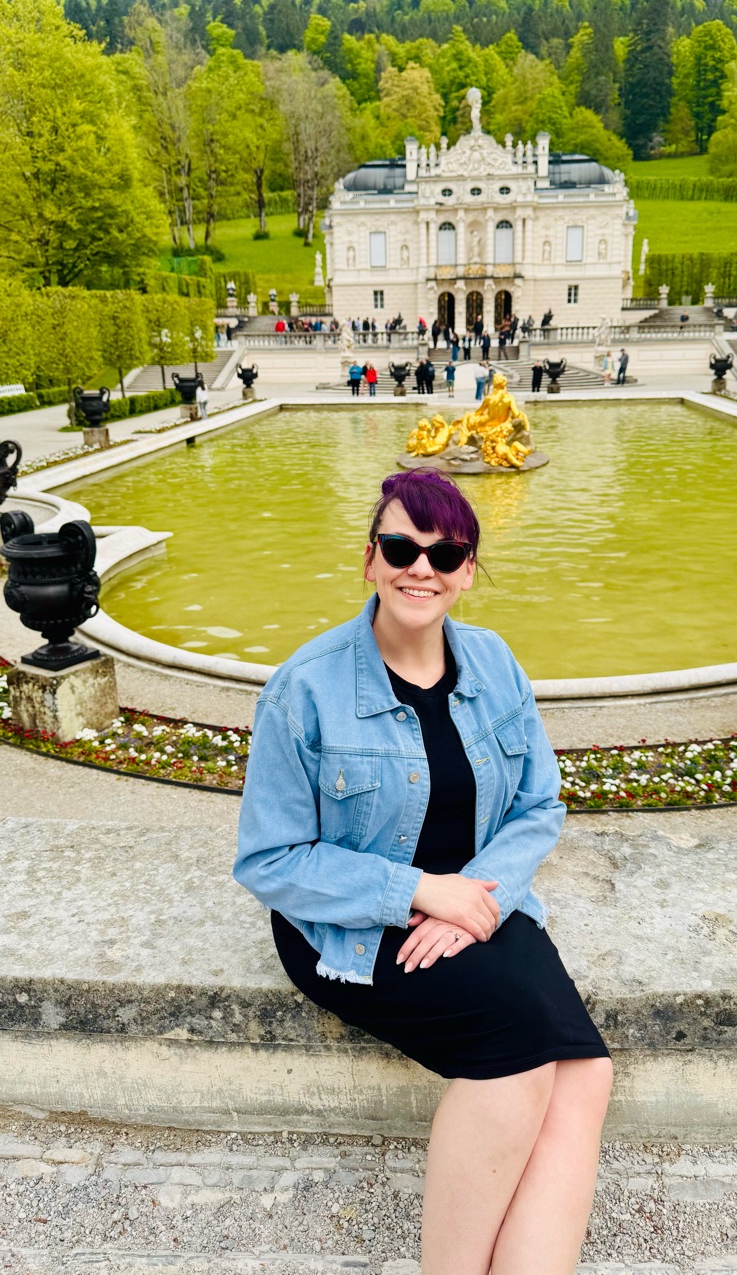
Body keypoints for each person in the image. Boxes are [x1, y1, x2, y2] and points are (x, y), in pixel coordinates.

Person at [235, 469, 613, 1275]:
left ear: (467, 571)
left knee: (587, 1071)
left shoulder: (495, 662)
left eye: (445, 554)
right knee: (515, 1057)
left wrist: (474, 898)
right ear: (370, 558)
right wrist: (418, 890)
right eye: (401, 547)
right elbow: (270, 859)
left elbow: (538, 805)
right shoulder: (305, 688)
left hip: (480, 897)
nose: (421, 569)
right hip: (350, 923)